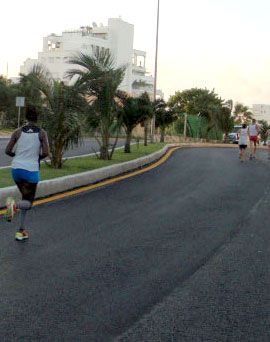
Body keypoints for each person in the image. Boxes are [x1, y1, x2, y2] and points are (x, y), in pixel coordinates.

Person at [5, 104, 49, 241]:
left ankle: (21, 231)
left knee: (25, 199)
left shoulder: (18, 131)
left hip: (16, 170)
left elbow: (7, 150)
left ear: (26, 117)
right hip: (31, 171)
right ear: (37, 117)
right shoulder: (41, 133)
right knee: (28, 203)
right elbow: (46, 152)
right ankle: (13, 205)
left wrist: (19, 158)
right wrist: (35, 159)